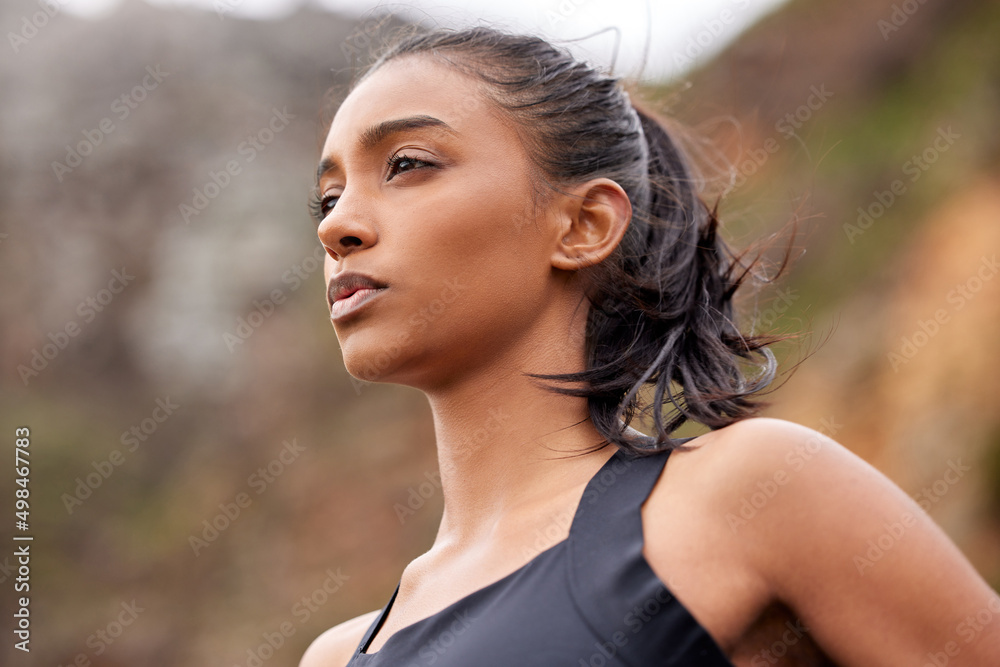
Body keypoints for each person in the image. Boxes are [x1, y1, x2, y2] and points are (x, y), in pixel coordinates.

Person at [300, 25, 1000, 666]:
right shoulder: (338, 655)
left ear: (583, 224)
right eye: (328, 199)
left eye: (407, 164)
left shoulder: (749, 494)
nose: (338, 228)